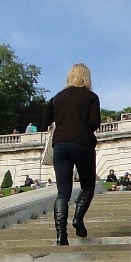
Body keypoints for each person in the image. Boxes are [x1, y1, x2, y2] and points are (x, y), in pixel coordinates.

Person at [42, 63, 102, 244]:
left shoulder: (56, 98)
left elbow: (45, 122)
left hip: (60, 145)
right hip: (83, 144)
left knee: (63, 192)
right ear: (86, 77)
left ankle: (61, 234)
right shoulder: (91, 97)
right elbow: (94, 123)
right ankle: (78, 217)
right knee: (88, 186)